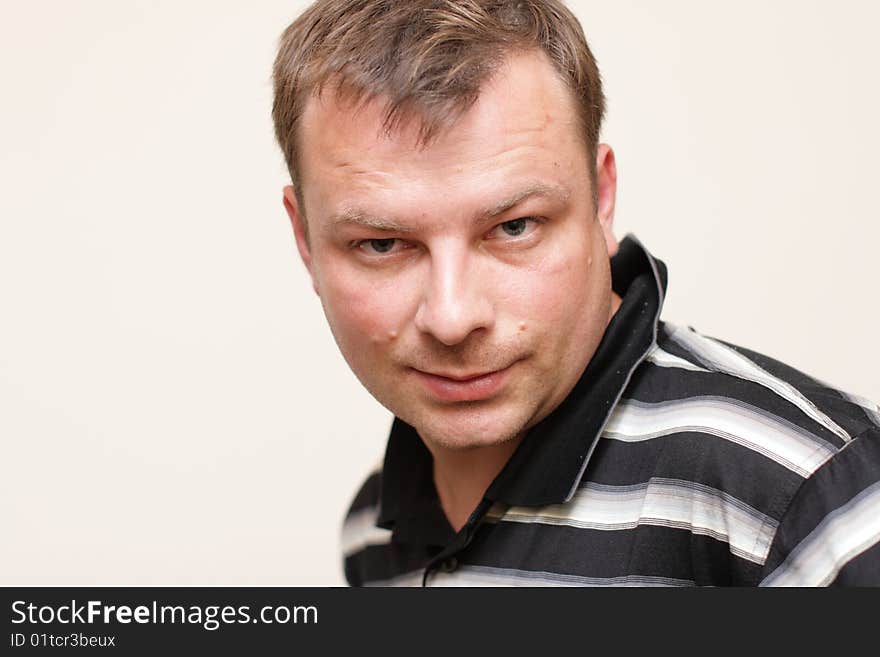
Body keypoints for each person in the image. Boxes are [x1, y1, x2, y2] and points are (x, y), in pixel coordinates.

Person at [271, 0, 880, 586]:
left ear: (601, 199)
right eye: (381, 243)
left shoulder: (807, 495)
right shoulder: (372, 533)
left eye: (514, 227)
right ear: (304, 238)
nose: (452, 318)